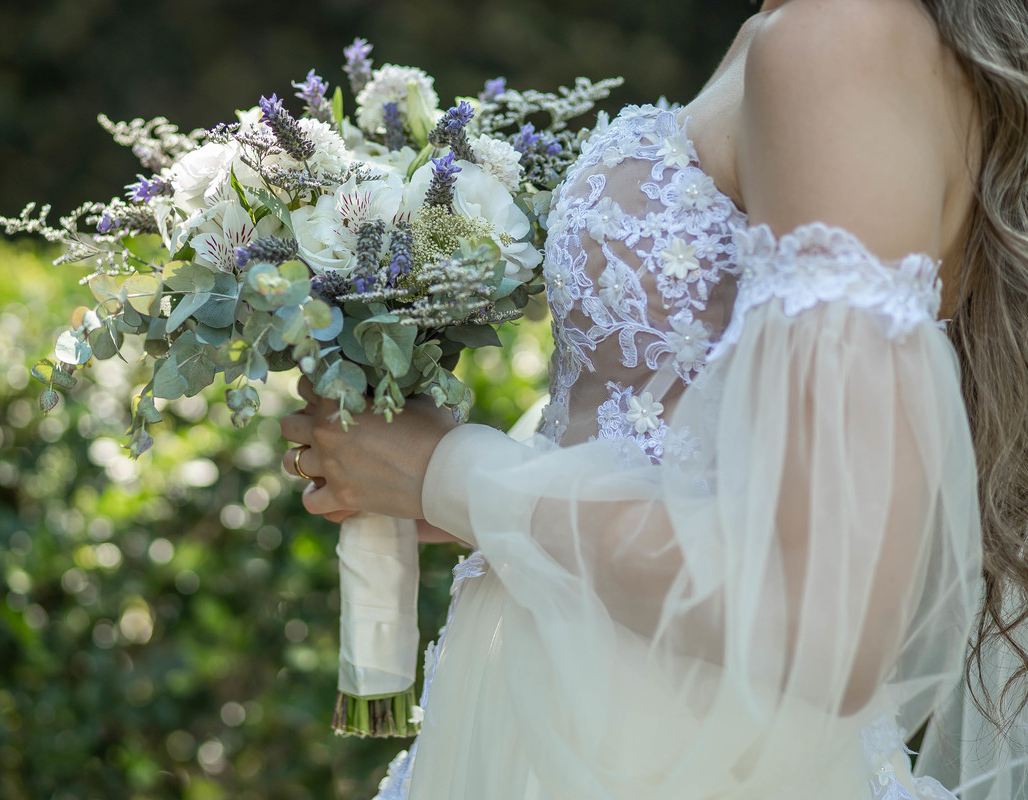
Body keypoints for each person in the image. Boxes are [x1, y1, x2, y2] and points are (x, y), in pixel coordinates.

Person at [280, 0, 1028, 797]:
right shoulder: (794, 29)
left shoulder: (840, 37)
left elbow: (823, 624)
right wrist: (494, 498)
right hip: (571, 718)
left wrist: (457, 474)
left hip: (683, 759)